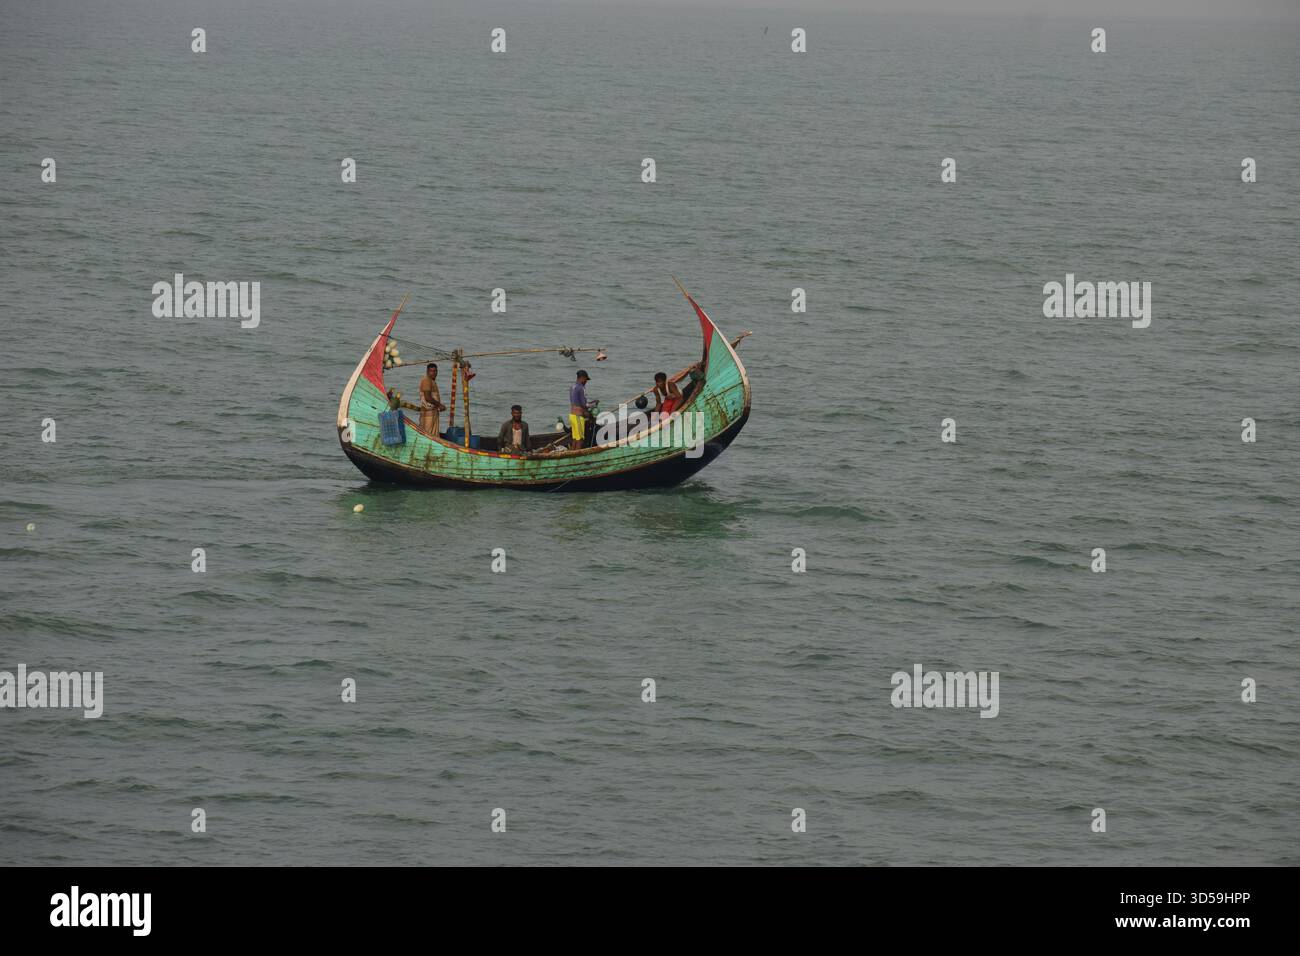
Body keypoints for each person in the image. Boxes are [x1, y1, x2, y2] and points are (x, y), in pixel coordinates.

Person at [568, 369, 593, 450]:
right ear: (582, 378)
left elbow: (576, 402)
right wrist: (594, 404)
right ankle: (576, 457)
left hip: (572, 415)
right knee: (580, 440)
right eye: (586, 379)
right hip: (578, 417)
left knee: (575, 438)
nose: (586, 381)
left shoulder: (572, 387)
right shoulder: (581, 388)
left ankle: (571, 455)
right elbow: (584, 404)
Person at [418, 363, 445, 434]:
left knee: (432, 433)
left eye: (435, 371)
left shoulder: (431, 380)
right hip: (428, 413)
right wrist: (439, 405)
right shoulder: (426, 380)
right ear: (427, 371)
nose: (434, 373)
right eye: (432, 371)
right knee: (427, 433)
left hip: (432, 412)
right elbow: (427, 397)